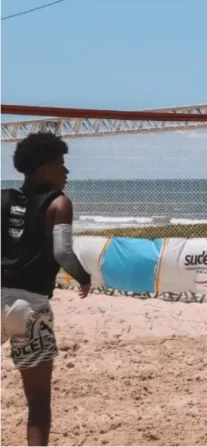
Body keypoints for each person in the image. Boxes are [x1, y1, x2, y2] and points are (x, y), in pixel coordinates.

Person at [1, 132, 93, 446]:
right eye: (60, 164)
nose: (66, 171)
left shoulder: (1, 199)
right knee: (38, 402)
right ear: (42, 168)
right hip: (29, 305)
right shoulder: (59, 202)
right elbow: (63, 253)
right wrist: (83, 277)